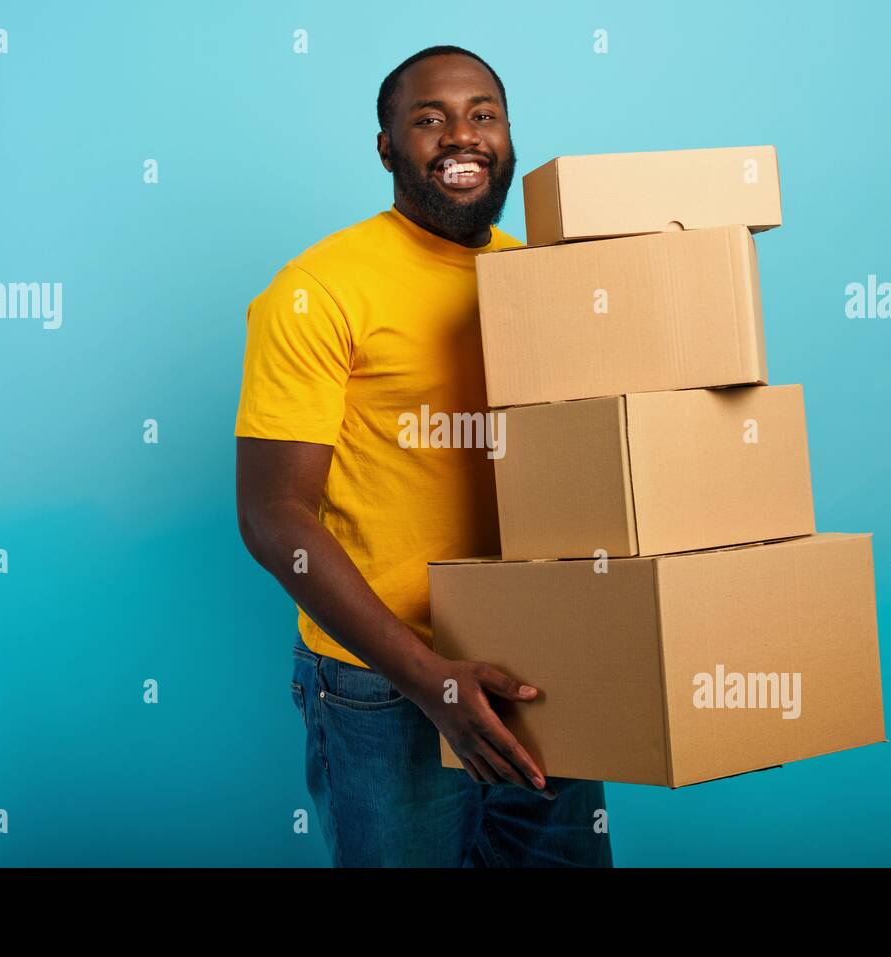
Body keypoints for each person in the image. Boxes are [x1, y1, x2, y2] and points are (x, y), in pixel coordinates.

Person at [235, 45, 613, 867]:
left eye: (483, 115)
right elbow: (273, 515)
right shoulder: (319, 289)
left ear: (509, 138)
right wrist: (428, 678)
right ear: (386, 149)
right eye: (429, 119)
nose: (461, 137)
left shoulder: (542, 282)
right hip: (385, 682)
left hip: (538, 663)